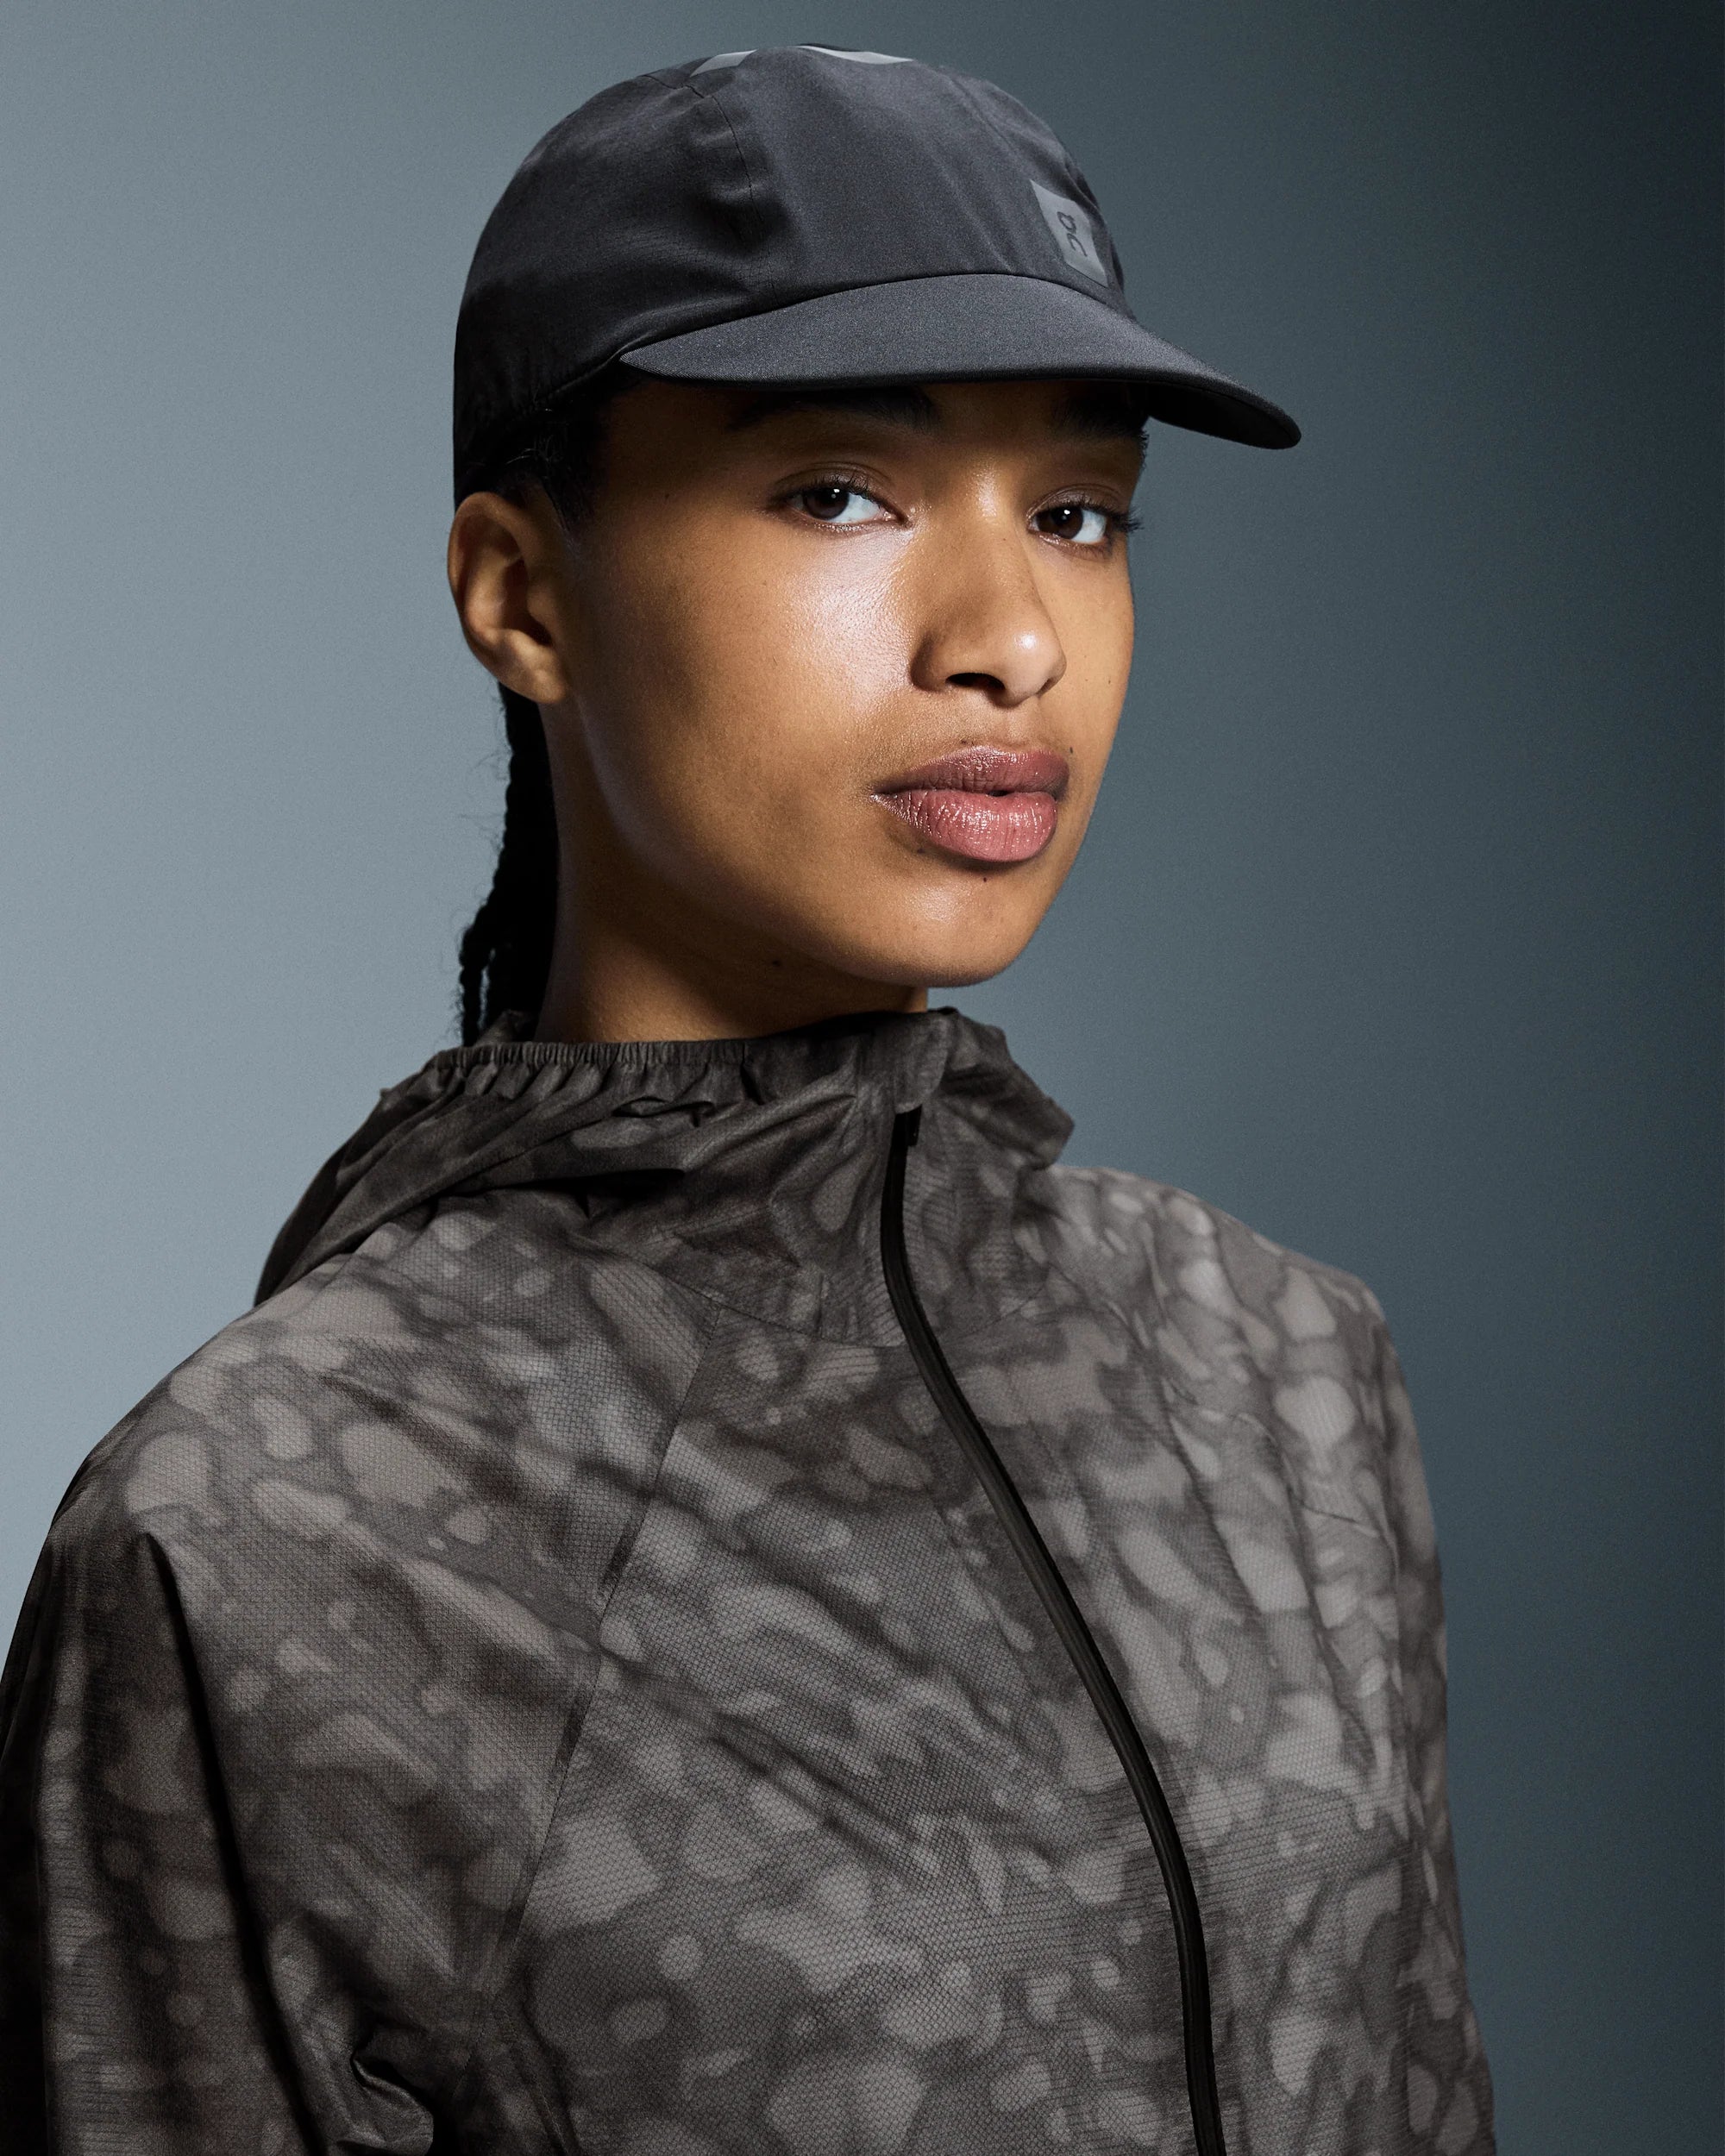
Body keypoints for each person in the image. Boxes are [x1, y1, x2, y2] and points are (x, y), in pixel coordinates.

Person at [0, 46, 1494, 2156]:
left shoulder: (1281, 1373)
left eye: (1076, 513)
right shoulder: (262, 1533)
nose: (1009, 637)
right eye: (839, 493)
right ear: (522, 594)